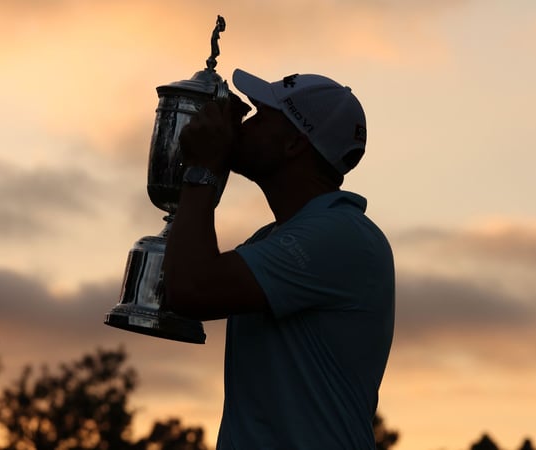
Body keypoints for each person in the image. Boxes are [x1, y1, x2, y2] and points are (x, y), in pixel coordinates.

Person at [163, 68, 395, 449]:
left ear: (293, 145)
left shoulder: (340, 236)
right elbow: (190, 283)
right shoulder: (278, 239)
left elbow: (192, 289)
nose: (244, 125)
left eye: (260, 116)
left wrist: (202, 168)